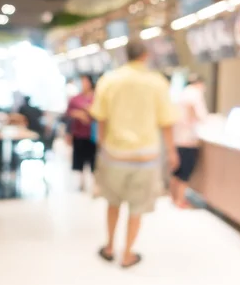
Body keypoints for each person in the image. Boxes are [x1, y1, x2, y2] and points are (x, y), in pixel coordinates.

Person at [90, 40, 179, 268]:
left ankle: (110, 246)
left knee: (113, 202)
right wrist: (171, 151)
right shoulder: (157, 83)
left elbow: (100, 117)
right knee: (137, 208)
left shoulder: (109, 80)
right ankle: (128, 253)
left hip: (114, 154)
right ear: (146, 56)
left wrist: (102, 145)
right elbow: (166, 122)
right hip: (146, 157)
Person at [171, 74, 209, 208]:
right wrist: (200, 120)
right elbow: (193, 110)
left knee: (177, 170)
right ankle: (180, 200)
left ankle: (174, 197)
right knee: (185, 171)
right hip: (188, 139)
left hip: (179, 137)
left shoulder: (183, 93)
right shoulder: (193, 94)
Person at [66, 75, 97, 191]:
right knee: (79, 159)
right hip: (79, 133)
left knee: (93, 160)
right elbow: (68, 114)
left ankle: (94, 184)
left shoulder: (96, 98)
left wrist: (89, 111)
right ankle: (81, 182)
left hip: (93, 134)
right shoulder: (75, 99)